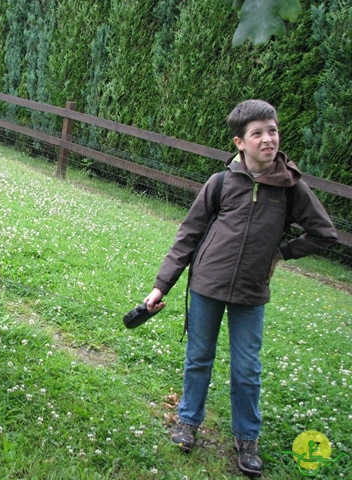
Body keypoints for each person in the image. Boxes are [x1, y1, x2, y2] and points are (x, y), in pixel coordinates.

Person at [142, 99, 337, 475]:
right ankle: (187, 422)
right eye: (258, 133)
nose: (268, 139)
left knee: (247, 368)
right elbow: (188, 236)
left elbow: (324, 233)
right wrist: (160, 286)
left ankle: (247, 438)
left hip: (251, 293)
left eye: (273, 130)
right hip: (206, 285)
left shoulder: (292, 188)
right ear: (239, 142)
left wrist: (281, 253)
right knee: (199, 359)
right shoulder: (220, 183)